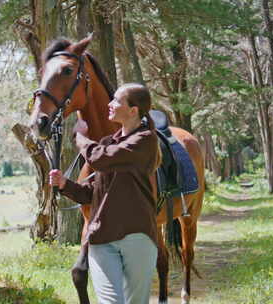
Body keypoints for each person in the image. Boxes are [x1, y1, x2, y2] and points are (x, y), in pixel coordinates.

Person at [49, 83, 160, 304]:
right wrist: (64, 184)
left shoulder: (145, 140)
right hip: (101, 239)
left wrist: (80, 138)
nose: (110, 104)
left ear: (133, 111)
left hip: (137, 237)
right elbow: (92, 194)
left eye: (116, 101)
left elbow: (100, 158)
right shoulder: (107, 144)